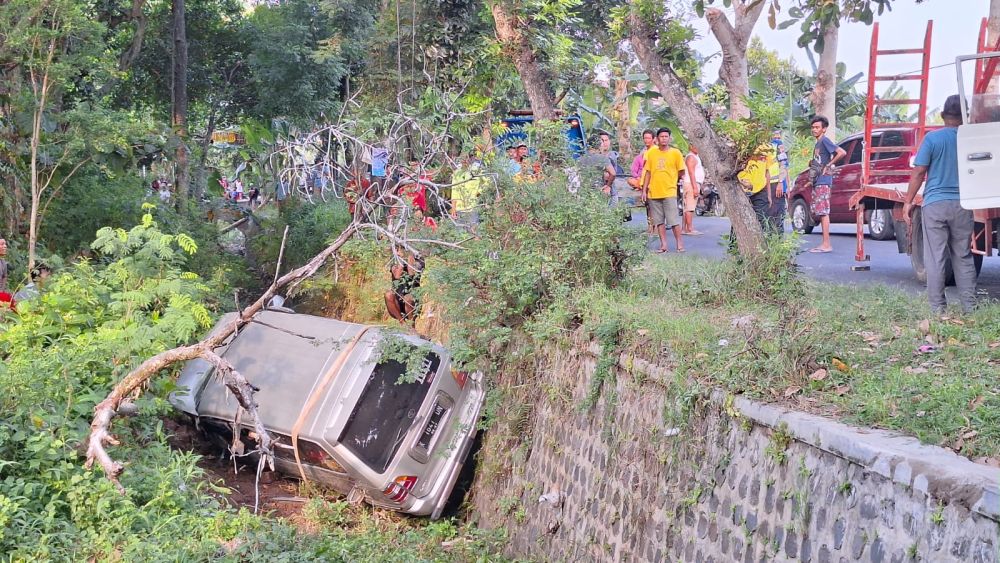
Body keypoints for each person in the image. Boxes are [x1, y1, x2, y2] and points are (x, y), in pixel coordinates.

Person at [903, 95, 977, 314]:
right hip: (963, 203)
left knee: (935, 257)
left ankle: (938, 310)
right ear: (966, 115)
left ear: (944, 116)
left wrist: (908, 202)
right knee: (962, 256)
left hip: (935, 204)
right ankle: (970, 308)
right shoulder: (970, 140)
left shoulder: (932, 139)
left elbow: (918, 172)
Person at [641, 127, 686, 253]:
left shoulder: (675, 153)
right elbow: (648, 172)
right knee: (659, 221)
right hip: (654, 192)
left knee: (673, 220)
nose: (664, 139)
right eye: (662, 136)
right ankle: (663, 245)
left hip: (669, 191)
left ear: (669, 138)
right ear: (657, 139)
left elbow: (681, 170)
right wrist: (644, 190)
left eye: (666, 136)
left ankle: (680, 244)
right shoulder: (652, 153)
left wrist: (676, 181)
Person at [808, 116, 846, 253]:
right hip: (818, 181)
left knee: (823, 212)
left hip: (823, 181)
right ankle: (824, 243)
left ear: (824, 129)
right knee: (819, 211)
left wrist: (829, 165)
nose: (814, 129)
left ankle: (826, 244)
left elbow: (841, 152)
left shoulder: (825, 141)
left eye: (817, 127)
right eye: (813, 127)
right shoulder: (818, 144)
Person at [738, 146, 772, 232]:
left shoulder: (767, 148)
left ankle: (760, 245)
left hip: (760, 190)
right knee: (740, 221)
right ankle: (734, 245)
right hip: (741, 190)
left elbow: (767, 172)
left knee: (761, 220)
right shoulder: (741, 144)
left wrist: (769, 195)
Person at [630, 130, 656, 235]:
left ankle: (655, 228)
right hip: (644, 182)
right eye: (645, 138)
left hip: (652, 182)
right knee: (649, 206)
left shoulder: (655, 151)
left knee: (653, 206)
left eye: (649, 138)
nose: (646, 140)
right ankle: (650, 227)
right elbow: (639, 170)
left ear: (654, 139)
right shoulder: (646, 152)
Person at [682, 146, 706, 235]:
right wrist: (695, 187)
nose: (697, 147)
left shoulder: (696, 156)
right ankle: (690, 229)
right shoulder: (691, 157)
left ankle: (684, 228)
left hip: (694, 183)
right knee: (690, 207)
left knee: (687, 206)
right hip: (691, 184)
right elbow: (691, 173)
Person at [764, 142, 785, 235]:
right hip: (762, 186)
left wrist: (780, 183)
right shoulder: (758, 146)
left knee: (777, 213)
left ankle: (777, 239)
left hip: (775, 184)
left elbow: (783, 165)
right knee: (765, 213)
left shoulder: (777, 147)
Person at [0, 238, 12, 310]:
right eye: (2, 244)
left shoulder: (3, 262)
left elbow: (4, 276)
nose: (5, 246)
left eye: (5, 244)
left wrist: (2, 290)